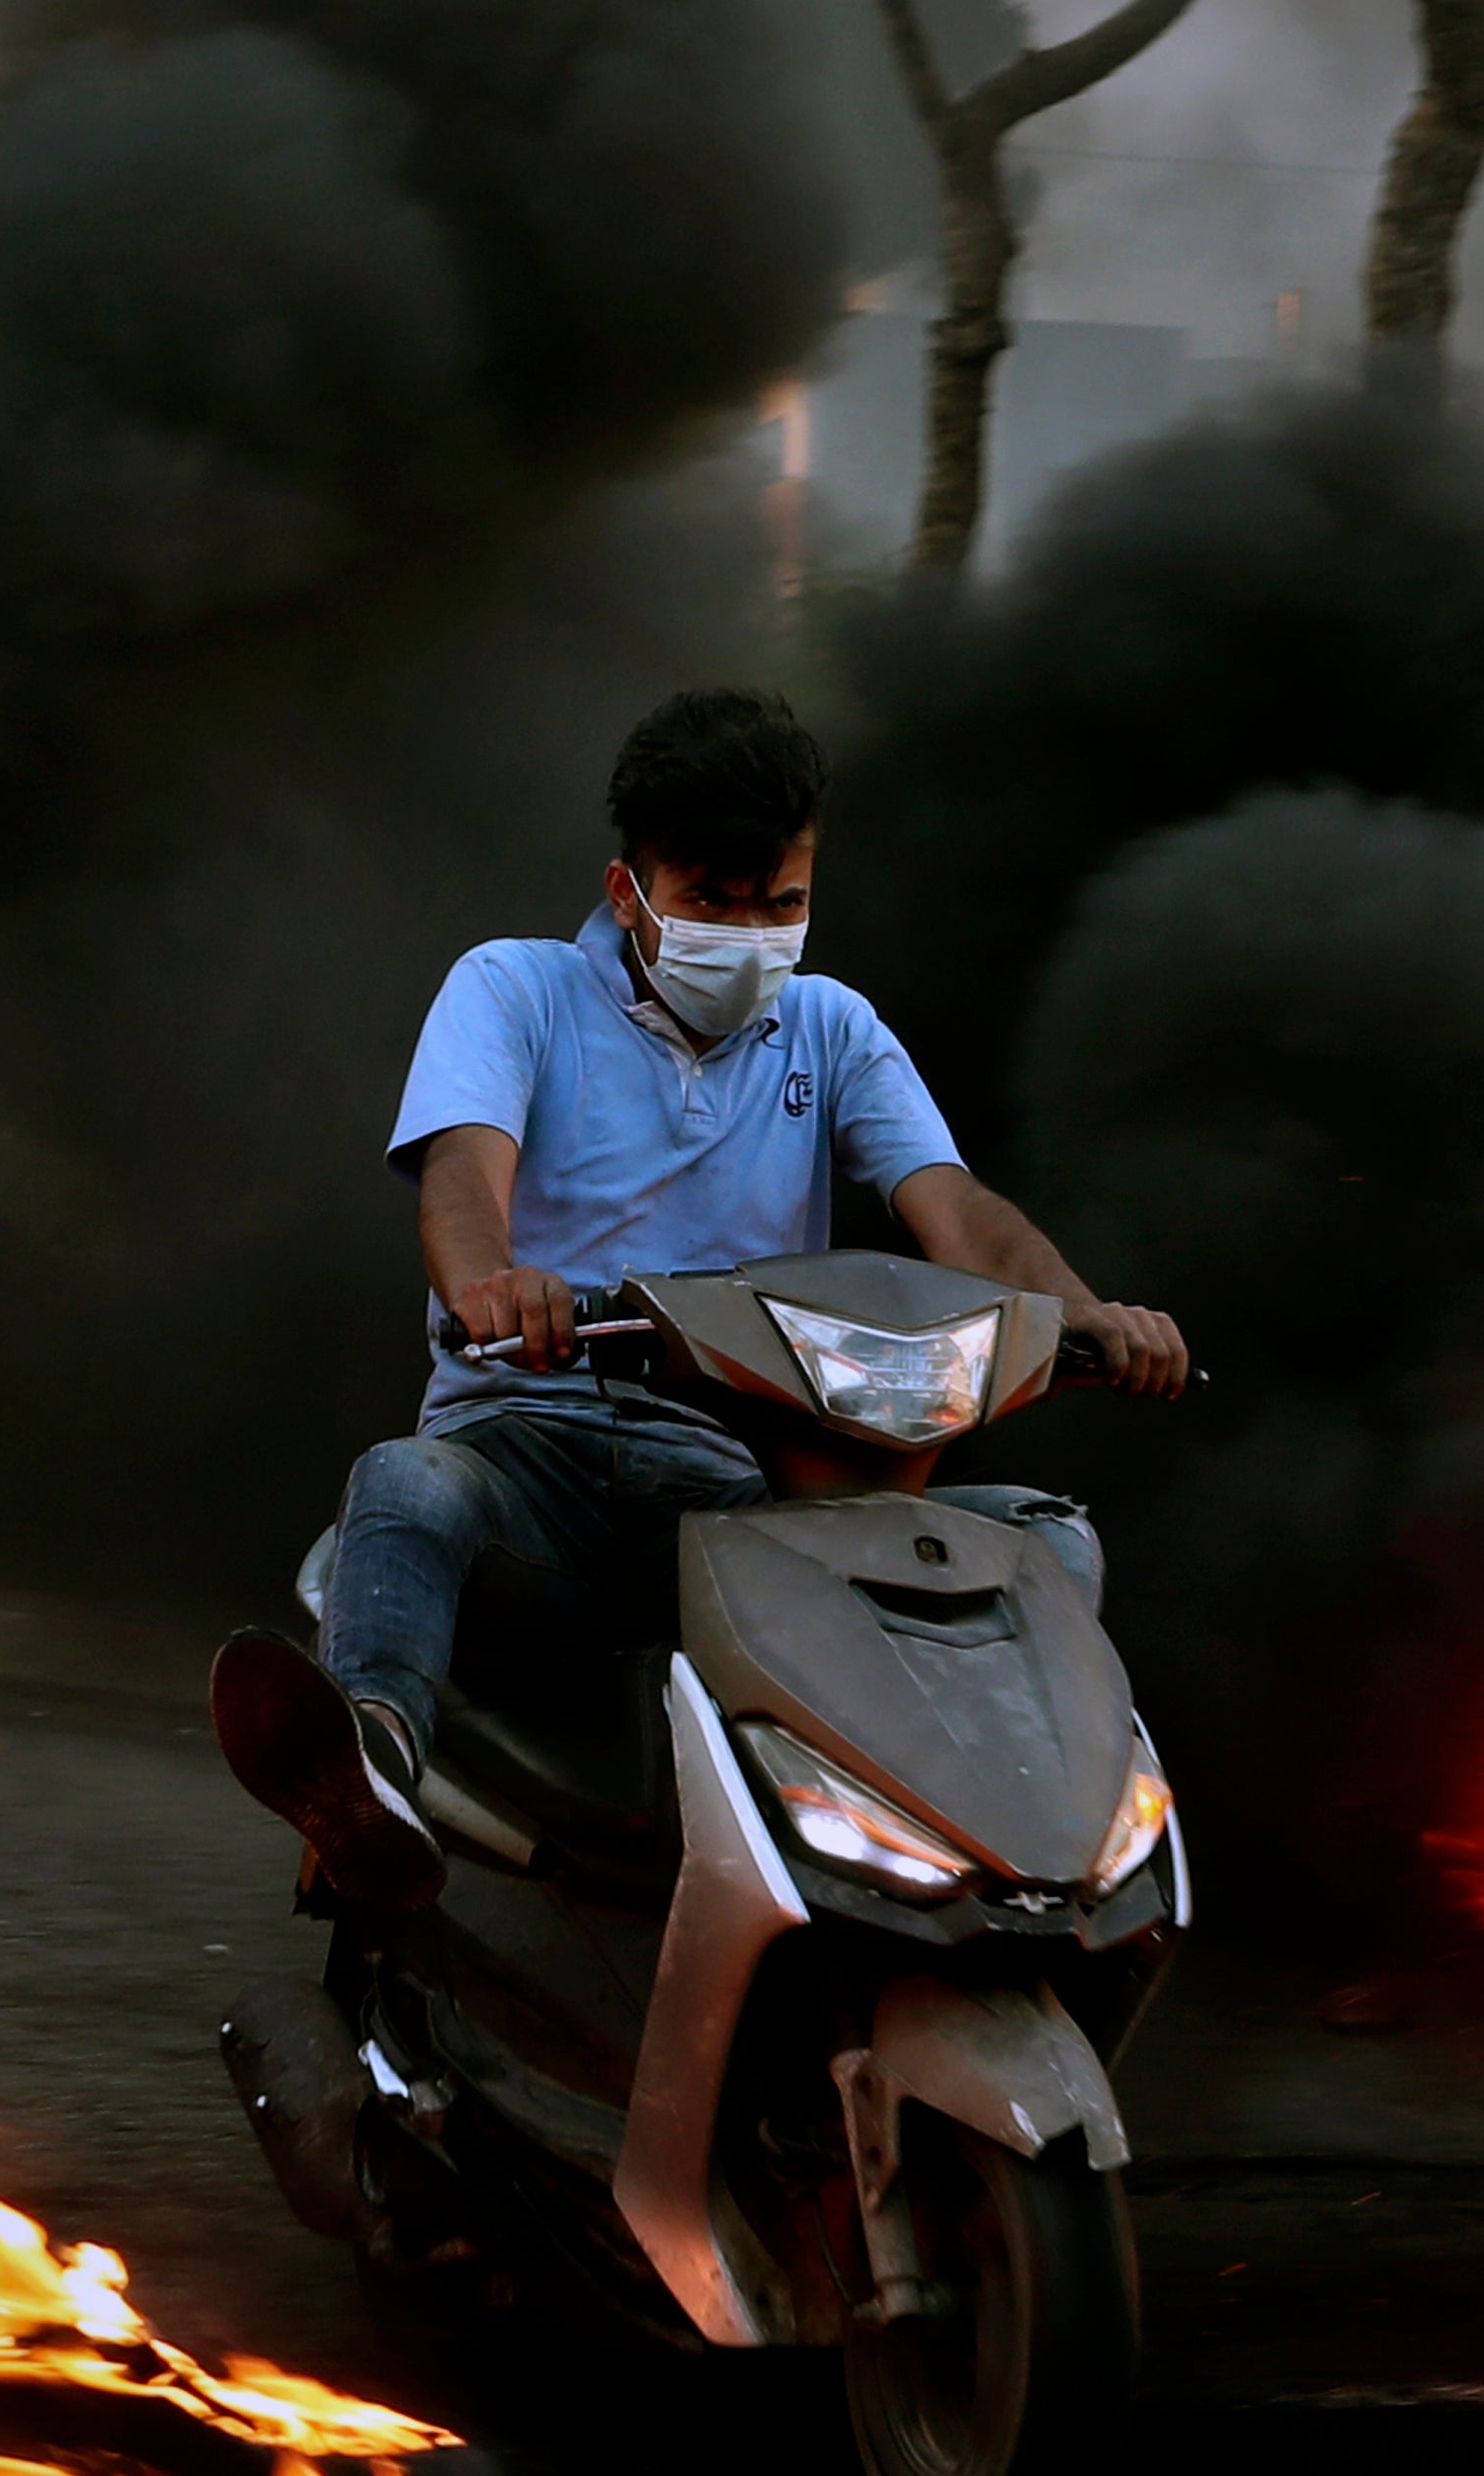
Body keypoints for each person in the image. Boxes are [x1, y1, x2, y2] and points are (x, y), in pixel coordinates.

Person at [212, 686, 1185, 1909]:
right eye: (710, 902)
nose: (753, 932)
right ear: (630, 895)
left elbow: (957, 1206)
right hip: (531, 1461)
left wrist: (1083, 1310)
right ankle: (372, 1772)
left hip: (740, 1486)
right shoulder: (514, 993)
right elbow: (463, 1181)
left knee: (1046, 1536)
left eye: (782, 903)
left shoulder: (830, 1031)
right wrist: (493, 1286)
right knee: (403, 1485)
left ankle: (1023, 1837)